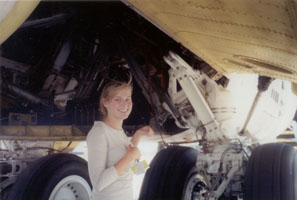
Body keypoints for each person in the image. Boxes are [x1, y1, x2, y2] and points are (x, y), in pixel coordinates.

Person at [87, 74, 154, 200]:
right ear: (105, 101)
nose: (125, 105)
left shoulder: (120, 133)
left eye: (128, 99)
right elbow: (98, 184)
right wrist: (130, 156)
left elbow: (135, 171)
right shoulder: (99, 133)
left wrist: (138, 135)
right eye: (117, 99)